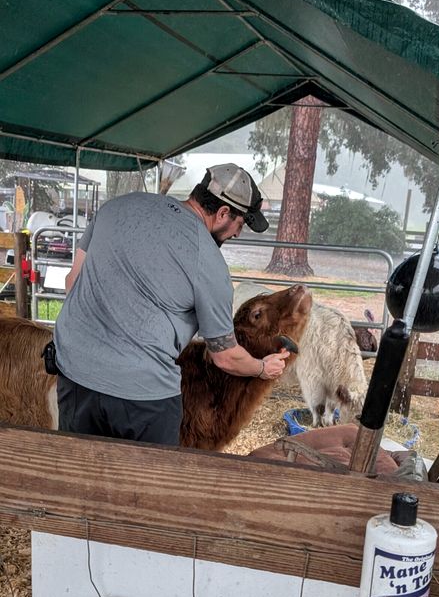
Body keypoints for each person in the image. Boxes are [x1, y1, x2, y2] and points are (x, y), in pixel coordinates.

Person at [53, 163, 289, 446]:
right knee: (152, 484)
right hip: (142, 397)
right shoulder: (210, 263)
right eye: (241, 224)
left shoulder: (118, 207)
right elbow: (224, 356)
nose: (237, 234)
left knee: (79, 472)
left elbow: (72, 283)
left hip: (75, 373)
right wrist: (262, 369)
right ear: (224, 213)